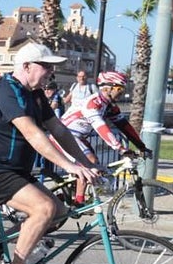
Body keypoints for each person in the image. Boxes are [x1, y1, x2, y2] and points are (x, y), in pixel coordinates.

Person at [0, 43, 100, 264]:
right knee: (44, 209)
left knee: (60, 212)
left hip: (14, 169)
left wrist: (85, 163)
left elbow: (58, 130)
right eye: (45, 65)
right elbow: (32, 133)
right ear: (26, 67)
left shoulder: (35, 95)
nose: (50, 71)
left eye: (51, 67)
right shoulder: (7, 91)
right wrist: (69, 166)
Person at [59, 70, 148, 202]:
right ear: (108, 88)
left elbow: (124, 126)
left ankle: (75, 196)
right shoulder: (93, 103)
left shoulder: (109, 106)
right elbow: (101, 128)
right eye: (119, 88)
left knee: (94, 166)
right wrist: (120, 148)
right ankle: (79, 202)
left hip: (78, 137)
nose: (121, 92)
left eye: (122, 89)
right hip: (64, 135)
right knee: (90, 162)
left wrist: (142, 146)